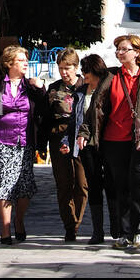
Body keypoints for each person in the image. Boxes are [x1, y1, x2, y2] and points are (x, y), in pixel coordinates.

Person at [78, 35, 140, 253]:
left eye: (124, 49)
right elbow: (97, 107)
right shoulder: (111, 76)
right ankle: (125, 234)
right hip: (115, 141)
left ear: (137, 52)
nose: (119, 53)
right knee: (121, 189)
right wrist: (85, 132)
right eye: (118, 50)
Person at [0, 45, 48, 245]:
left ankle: (19, 220)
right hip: (0, 142)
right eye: (21, 60)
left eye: (26, 60)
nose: (26, 63)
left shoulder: (30, 87)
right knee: (4, 185)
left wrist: (41, 88)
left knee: (24, 187)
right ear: (9, 64)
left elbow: (44, 109)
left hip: (24, 143)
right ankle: (5, 228)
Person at [46, 48, 90, 241]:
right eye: (61, 68)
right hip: (58, 136)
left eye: (68, 68)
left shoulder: (85, 86)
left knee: (81, 184)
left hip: (81, 137)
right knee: (63, 184)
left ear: (76, 67)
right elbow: (46, 117)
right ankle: (69, 225)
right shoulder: (54, 89)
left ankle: (77, 220)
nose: (64, 72)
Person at [77, 53, 113, 245]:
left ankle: (117, 228)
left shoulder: (110, 88)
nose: (83, 75)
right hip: (88, 147)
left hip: (108, 143)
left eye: (86, 71)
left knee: (112, 185)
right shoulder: (82, 91)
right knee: (94, 186)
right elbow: (81, 118)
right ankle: (97, 231)